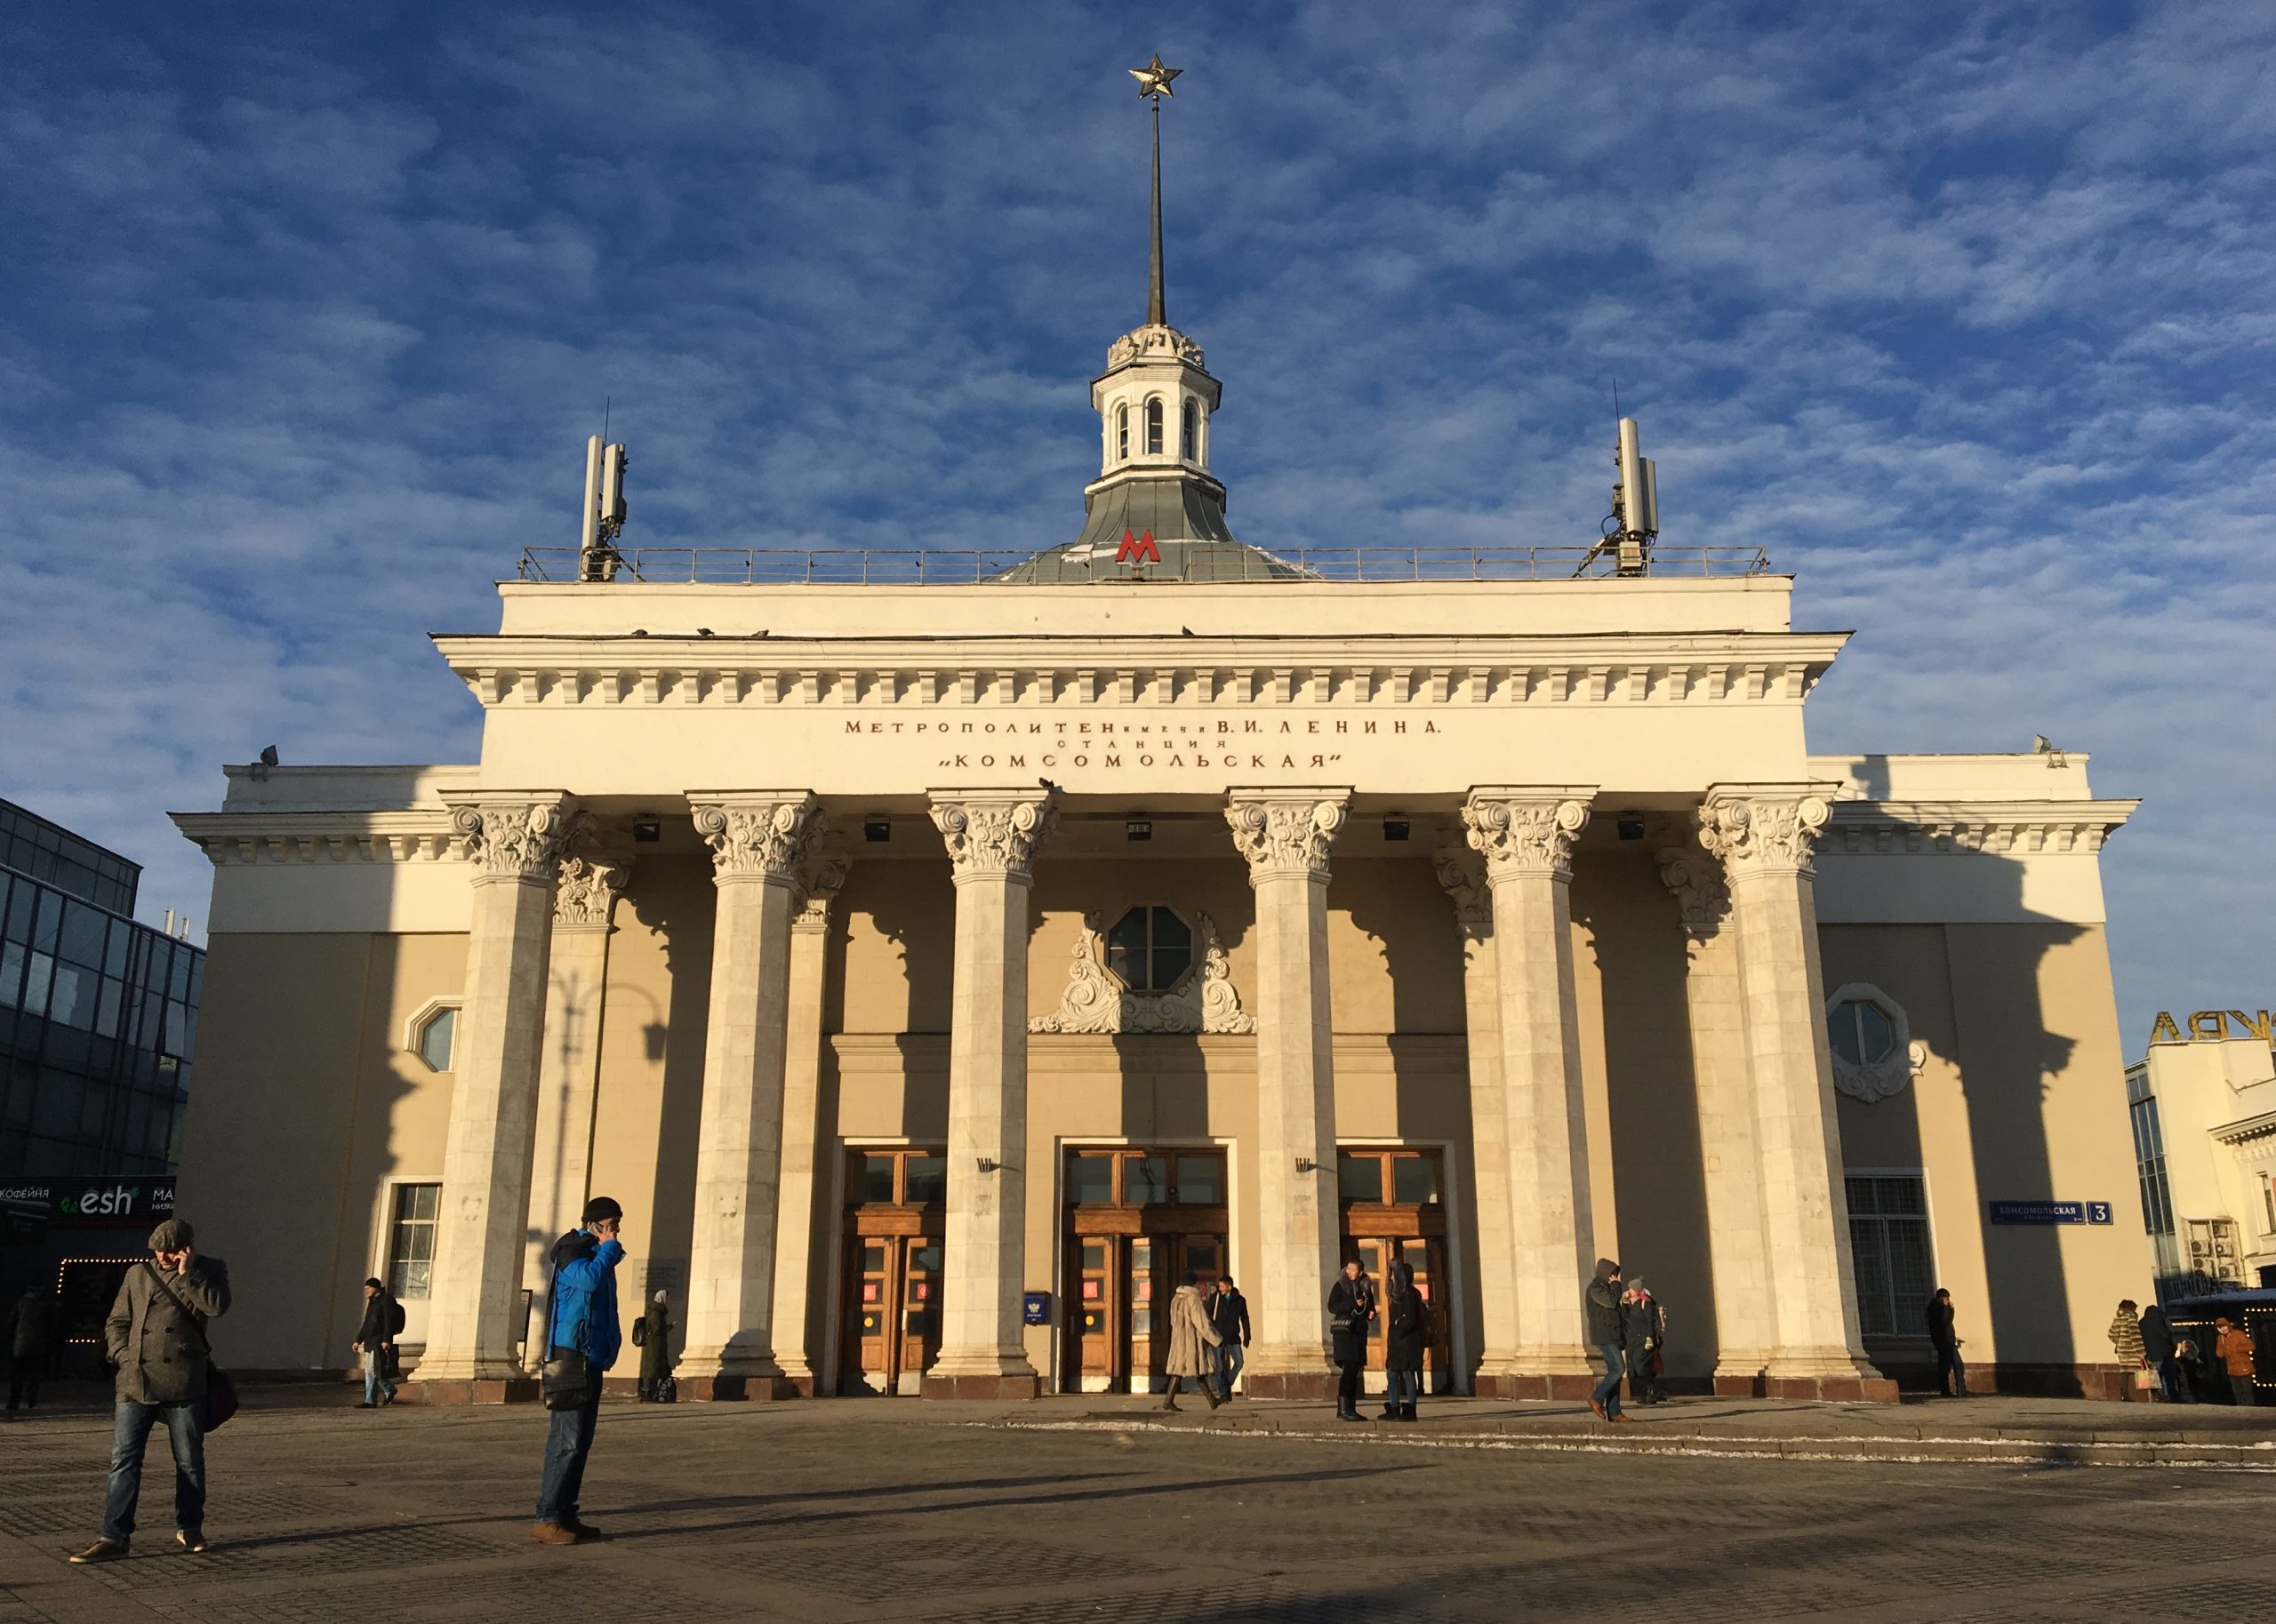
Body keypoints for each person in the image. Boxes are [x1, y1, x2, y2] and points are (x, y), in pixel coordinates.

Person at [70, 1218, 231, 1564]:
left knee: (189, 1461)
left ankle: (190, 1527)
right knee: (124, 1461)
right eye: (157, 1250)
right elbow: (117, 1321)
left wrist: (189, 1274)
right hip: (135, 1380)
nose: (162, 1256)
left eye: (170, 1251)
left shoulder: (210, 1269)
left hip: (185, 1380)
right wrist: (122, 1355)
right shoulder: (137, 1274)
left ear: (186, 1249)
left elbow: (216, 1307)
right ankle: (114, 1536)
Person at [533, 1196, 626, 1546]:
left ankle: (567, 1513)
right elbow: (586, 1282)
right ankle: (547, 1516)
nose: (615, 1231)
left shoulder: (599, 1254)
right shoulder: (572, 1250)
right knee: (566, 1441)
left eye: (617, 1224)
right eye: (611, 1224)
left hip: (592, 1357)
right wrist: (608, 1250)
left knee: (581, 1442)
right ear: (595, 1224)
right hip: (570, 1355)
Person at [1163, 1270, 1221, 1412]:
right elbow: (1201, 1322)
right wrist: (1216, 1339)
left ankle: (1212, 1400)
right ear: (1193, 1283)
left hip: (1178, 1339)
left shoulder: (1176, 1299)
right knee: (1195, 1367)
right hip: (1191, 1339)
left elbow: (1172, 1320)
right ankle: (1168, 1401)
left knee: (1186, 1369)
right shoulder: (1193, 1298)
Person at [1326, 1260, 1375, 1422]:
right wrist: (1351, 1304)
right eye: (1348, 1269)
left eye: (1353, 1270)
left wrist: (1371, 1313)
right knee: (1348, 1371)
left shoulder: (1366, 1287)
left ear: (1360, 1273)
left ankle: (1351, 1408)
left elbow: (1371, 1306)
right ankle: (1343, 1409)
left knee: (1354, 1371)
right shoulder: (1341, 1285)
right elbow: (1332, 1306)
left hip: (1358, 1334)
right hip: (1344, 1334)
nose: (1349, 1272)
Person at [1380, 1259, 1424, 1422]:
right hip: (1397, 1344)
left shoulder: (1409, 1295)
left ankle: (1411, 1408)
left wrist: (1398, 1331)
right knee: (1392, 1375)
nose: (1391, 1278)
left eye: (1394, 1275)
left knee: (1407, 1373)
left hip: (1406, 1343)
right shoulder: (1397, 1296)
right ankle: (1394, 1407)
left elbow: (1410, 1319)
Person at [1586, 1259, 1629, 1422]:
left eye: (1615, 1274)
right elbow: (1611, 1303)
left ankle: (1615, 1412)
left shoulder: (1608, 1288)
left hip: (1613, 1334)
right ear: (1604, 1273)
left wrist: (1625, 1305)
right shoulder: (1596, 1288)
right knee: (1619, 1368)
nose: (1614, 1277)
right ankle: (1596, 1398)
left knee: (1615, 1373)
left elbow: (1617, 1312)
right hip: (1604, 1336)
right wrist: (1616, 1286)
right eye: (1611, 1274)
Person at [351, 1277, 397, 1408]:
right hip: (370, 1340)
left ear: (375, 1287)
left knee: (373, 1369)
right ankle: (370, 1400)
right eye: (366, 1289)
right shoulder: (372, 1302)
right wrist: (358, 1340)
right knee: (369, 1371)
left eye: (369, 1288)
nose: (367, 1291)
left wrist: (386, 1339)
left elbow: (389, 1321)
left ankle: (389, 1389)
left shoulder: (386, 1300)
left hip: (379, 1340)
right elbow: (367, 1323)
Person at [8, 1288, 53, 1415]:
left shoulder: (20, 1303)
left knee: (17, 1375)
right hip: (38, 1344)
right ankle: (32, 1398)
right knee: (34, 1374)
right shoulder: (43, 1305)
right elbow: (49, 1324)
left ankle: (14, 1401)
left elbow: (11, 1322)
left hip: (21, 1344)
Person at [1208, 1275, 1250, 1404]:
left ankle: (1226, 1386)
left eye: (1222, 1286)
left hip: (1233, 1337)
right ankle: (1223, 1394)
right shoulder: (1215, 1298)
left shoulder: (1240, 1300)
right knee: (1220, 1366)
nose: (1219, 1288)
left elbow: (1245, 1319)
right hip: (1218, 1337)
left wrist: (1247, 1336)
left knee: (1239, 1362)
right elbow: (1206, 1313)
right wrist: (1210, 1331)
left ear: (1229, 1287)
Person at [1623, 1278, 1664, 1406]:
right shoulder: (1633, 1303)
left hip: (1643, 1340)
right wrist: (1625, 1302)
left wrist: (1649, 1338)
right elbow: (1626, 1317)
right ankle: (1646, 1393)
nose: (1628, 1291)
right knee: (1635, 1367)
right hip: (1633, 1340)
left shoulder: (1645, 1303)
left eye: (1630, 1288)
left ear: (1635, 1289)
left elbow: (1649, 1322)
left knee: (1639, 1364)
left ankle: (1651, 1391)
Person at [2138, 1302, 2187, 1404]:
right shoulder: (2157, 1321)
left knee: (2155, 1377)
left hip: (2150, 1354)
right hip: (2164, 1353)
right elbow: (2165, 1334)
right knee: (2169, 1377)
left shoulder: (2141, 1323)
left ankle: (2157, 1396)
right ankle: (2172, 1396)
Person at [635, 1289, 674, 1402]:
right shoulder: (656, 1312)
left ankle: (654, 1392)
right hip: (654, 1346)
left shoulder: (656, 1311)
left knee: (656, 1369)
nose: (668, 1302)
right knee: (651, 1369)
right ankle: (647, 1392)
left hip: (656, 1346)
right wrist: (668, 1328)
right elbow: (657, 1329)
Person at [1927, 1287, 1966, 1397]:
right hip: (1945, 1341)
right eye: (1947, 1299)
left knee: (1945, 1366)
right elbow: (1944, 1321)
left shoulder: (1939, 1308)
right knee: (1957, 1364)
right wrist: (1946, 1308)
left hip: (1945, 1340)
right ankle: (1960, 1389)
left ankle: (1946, 1390)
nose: (1948, 1301)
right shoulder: (1935, 1309)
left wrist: (1950, 1309)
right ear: (1942, 1299)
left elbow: (1949, 1320)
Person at [2107, 1299, 2145, 1401]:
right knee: (2146, 1370)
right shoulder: (2131, 1319)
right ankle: (2156, 1395)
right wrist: (2141, 1352)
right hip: (2132, 1350)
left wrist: (2119, 1342)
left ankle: (2124, 1394)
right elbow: (2135, 1336)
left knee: (2125, 1371)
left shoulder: (2117, 1319)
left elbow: (2110, 1334)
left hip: (2122, 1351)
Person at [2214, 1316, 2256, 1407]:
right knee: (2237, 1391)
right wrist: (2224, 1350)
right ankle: (2240, 1408)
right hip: (2232, 1369)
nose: (2223, 1329)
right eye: (2220, 1328)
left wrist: (2238, 1348)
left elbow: (2251, 1347)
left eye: (2224, 1326)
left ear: (2228, 1326)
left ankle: (2249, 1408)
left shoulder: (2238, 1334)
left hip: (2244, 1367)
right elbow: (2219, 1353)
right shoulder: (2220, 1339)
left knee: (2247, 1391)